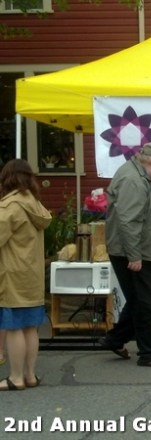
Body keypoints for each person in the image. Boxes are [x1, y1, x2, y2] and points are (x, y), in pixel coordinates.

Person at [99, 143, 151, 368]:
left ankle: (114, 339)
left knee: (137, 300)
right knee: (148, 304)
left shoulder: (138, 176)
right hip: (140, 252)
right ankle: (149, 353)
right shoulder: (133, 180)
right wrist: (134, 255)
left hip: (138, 250)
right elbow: (129, 221)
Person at [0, 159, 52, 390]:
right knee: (30, 327)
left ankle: (15, 377)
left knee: (13, 328)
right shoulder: (35, 205)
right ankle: (30, 375)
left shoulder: (9, 206)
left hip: (12, 275)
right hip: (32, 275)